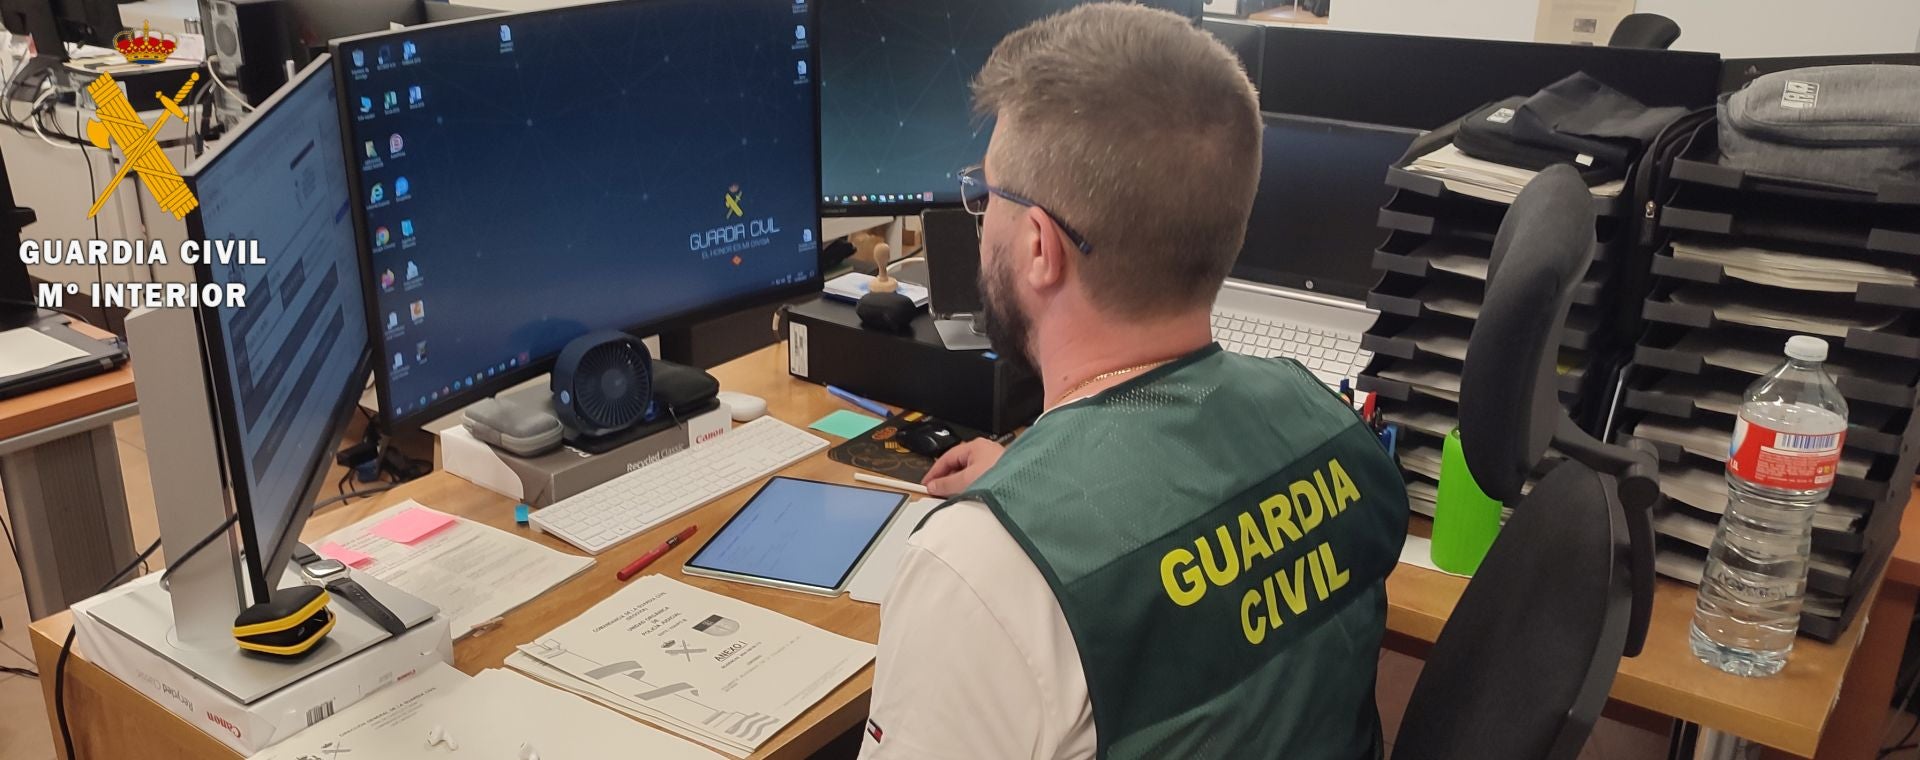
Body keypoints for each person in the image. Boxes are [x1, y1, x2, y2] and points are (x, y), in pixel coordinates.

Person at [858, 4, 1411, 759]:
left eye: (987, 193)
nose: (979, 217)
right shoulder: (1329, 427)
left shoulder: (978, 575)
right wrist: (1037, 482)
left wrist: (1016, 524)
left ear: (1039, 245)